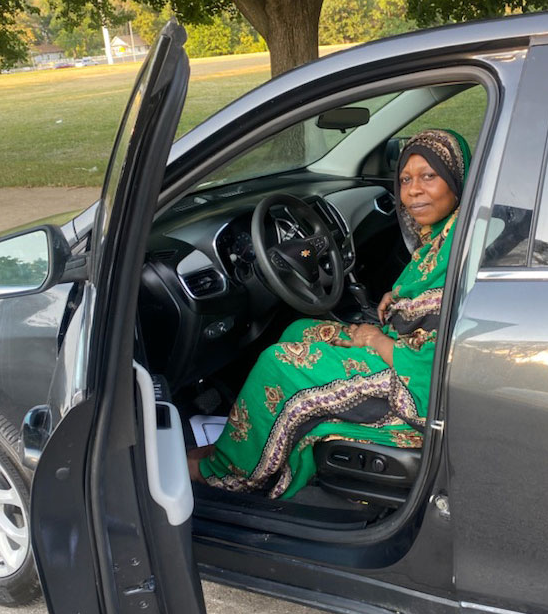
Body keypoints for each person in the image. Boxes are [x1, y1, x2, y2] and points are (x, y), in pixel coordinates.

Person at [188, 129, 468, 498]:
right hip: (404, 350)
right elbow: (424, 295)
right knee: (299, 330)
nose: (413, 191)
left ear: (454, 178)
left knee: (279, 363)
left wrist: (376, 338)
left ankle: (226, 472)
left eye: (429, 176)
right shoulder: (450, 232)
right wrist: (396, 297)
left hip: (420, 389)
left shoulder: (457, 243)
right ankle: (252, 445)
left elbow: (428, 363)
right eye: (405, 179)